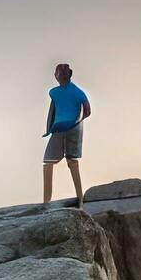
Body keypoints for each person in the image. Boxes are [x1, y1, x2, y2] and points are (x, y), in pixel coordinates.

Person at [42, 62, 91, 207]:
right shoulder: (54, 92)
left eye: (63, 73)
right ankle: (46, 202)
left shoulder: (77, 91)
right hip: (58, 128)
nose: (60, 75)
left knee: (72, 161)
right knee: (48, 163)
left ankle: (80, 199)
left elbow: (87, 110)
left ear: (69, 75)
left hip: (73, 128)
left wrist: (76, 121)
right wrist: (48, 129)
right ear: (55, 75)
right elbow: (52, 111)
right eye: (58, 73)